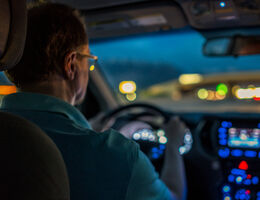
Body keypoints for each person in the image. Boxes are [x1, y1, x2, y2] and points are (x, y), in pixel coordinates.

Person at [1, 2, 187, 200]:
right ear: (71, 64)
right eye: (88, 58)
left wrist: (88, 129)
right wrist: (174, 146)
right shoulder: (116, 155)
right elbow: (174, 196)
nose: (88, 68)